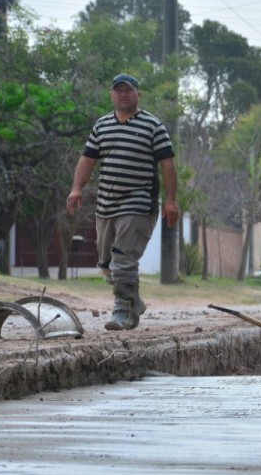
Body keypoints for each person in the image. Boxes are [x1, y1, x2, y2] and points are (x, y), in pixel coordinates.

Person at [66, 73, 180, 331]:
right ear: (111, 95)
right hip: (107, 203)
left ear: (138, 94)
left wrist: (171, 201)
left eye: (128, 90)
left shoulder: (153, 125)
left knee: (123, 259)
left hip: (138, 203)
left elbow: (168, 164)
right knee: (107, 264)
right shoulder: (102, 125)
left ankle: (123, 313)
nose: (123, 94)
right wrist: (76, 189)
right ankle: (134, 300)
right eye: (118, 90)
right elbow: (87, 160)